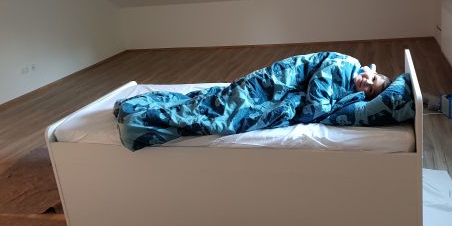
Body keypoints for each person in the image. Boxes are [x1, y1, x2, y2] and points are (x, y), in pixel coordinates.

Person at [115, 52, 393, 151]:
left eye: (370, 91)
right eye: (373, 79)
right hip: (271, 83)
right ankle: (142, 116)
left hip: (282, 90)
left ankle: (147, 112)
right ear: (371, 69)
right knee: (225, 107)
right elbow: (316, 102)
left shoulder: (350, 84)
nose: (366, 84)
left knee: (217, 104)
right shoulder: (346, 65)